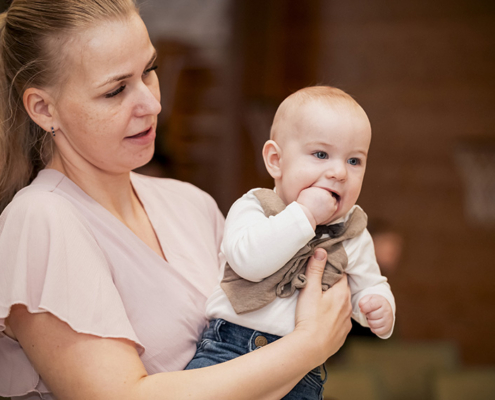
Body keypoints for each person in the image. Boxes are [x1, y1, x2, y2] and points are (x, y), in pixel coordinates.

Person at [0, 1, 353, 399]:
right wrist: (309, 345)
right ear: (44, 108)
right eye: (116, 90)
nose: (153, 104)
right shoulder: (40, 218)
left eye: (149, 70)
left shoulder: (191, 204)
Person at [186, 87, 396, 399]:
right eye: (321, 155)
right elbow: (248, 263)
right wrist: (305, 215)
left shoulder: (352, 232)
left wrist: (378, 306)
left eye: (354, 160)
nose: (339, 172)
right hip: (229, 349)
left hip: (303, 374)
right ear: (276, 160)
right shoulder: (255, 206)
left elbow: (369, 285)